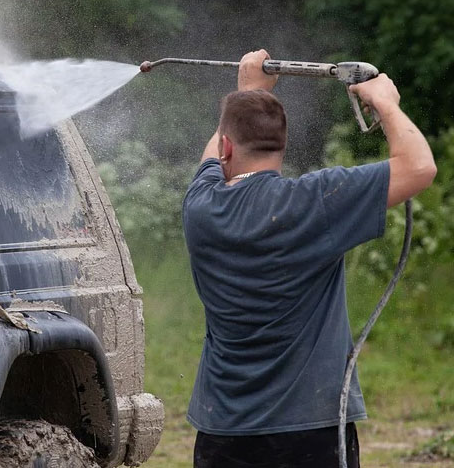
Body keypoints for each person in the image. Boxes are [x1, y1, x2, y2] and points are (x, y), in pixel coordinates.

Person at [182, 49, 436, 467]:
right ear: (283, 143)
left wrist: (246, 92)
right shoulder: (315, 202)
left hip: (224, 432)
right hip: (310, 433)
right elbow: (419, 167)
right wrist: (386, 104)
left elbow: (213, 159)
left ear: (228, 146)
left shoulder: (201, 207)